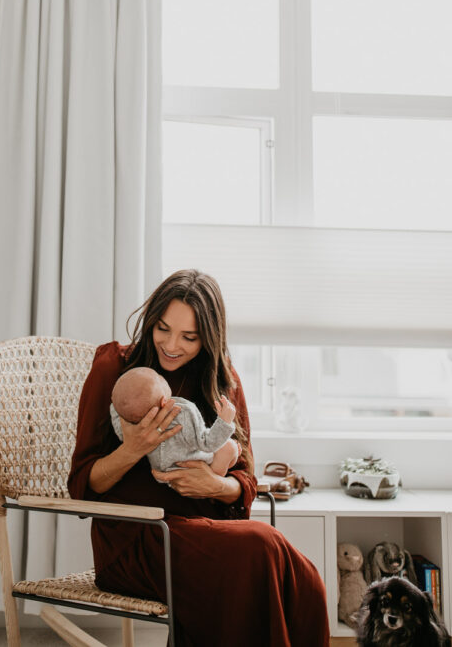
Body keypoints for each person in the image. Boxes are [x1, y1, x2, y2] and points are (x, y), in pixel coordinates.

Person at [68, 269, 330, 646]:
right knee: (260, 547)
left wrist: (215, 485)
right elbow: (82, 485)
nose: (172, 345)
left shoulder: (222, 382)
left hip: (206, 531)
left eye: (189, 337)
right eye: (162, 329)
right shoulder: (116, 369)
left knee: (306, 581)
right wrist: (133, 450)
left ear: (209, 337)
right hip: (138, 540)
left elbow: (245, 480)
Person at [110, 366, 240, 475]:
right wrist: (224, 421)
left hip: (162, 472)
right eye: (159, 378)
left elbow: (121, 430)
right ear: (163, 401)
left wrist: (118, 404)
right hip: (194, 470)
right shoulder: (182, 411)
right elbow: (206, 444)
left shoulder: (130, 420)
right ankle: (216, 476)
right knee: (229, 447)